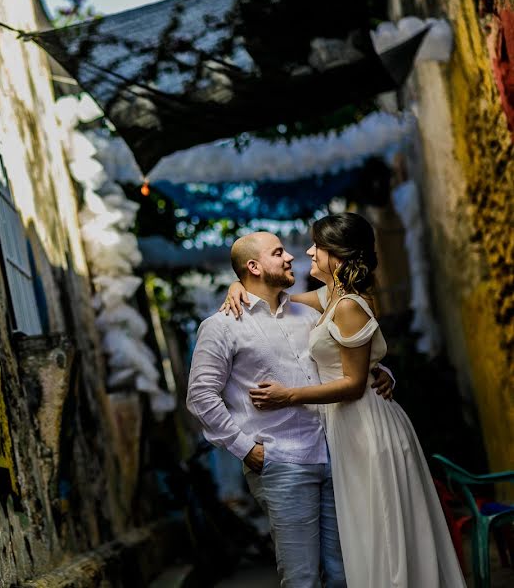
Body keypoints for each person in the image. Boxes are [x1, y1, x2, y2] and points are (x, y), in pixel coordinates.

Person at [221, 213, 465, 587]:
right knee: (366, 529)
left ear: (337, 255)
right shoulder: (327, 299)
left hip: (366, 426)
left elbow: (352, 383)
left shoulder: (349, 304)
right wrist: (237, 286)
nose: (307, 252)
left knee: (382, 524)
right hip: (345, 427)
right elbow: (273, 299)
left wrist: (290, 395)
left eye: (317, 246)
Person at [186, 229, 394, 587]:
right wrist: (246, 449)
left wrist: (380, 370)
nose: (291, 257)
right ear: (253, 266)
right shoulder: (221, 326)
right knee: (302, 578)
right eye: (278, 252)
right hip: (281, 462)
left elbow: (344, 350)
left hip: (334, 453)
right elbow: (201, 396)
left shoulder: (306, 312)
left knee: (344, 573)